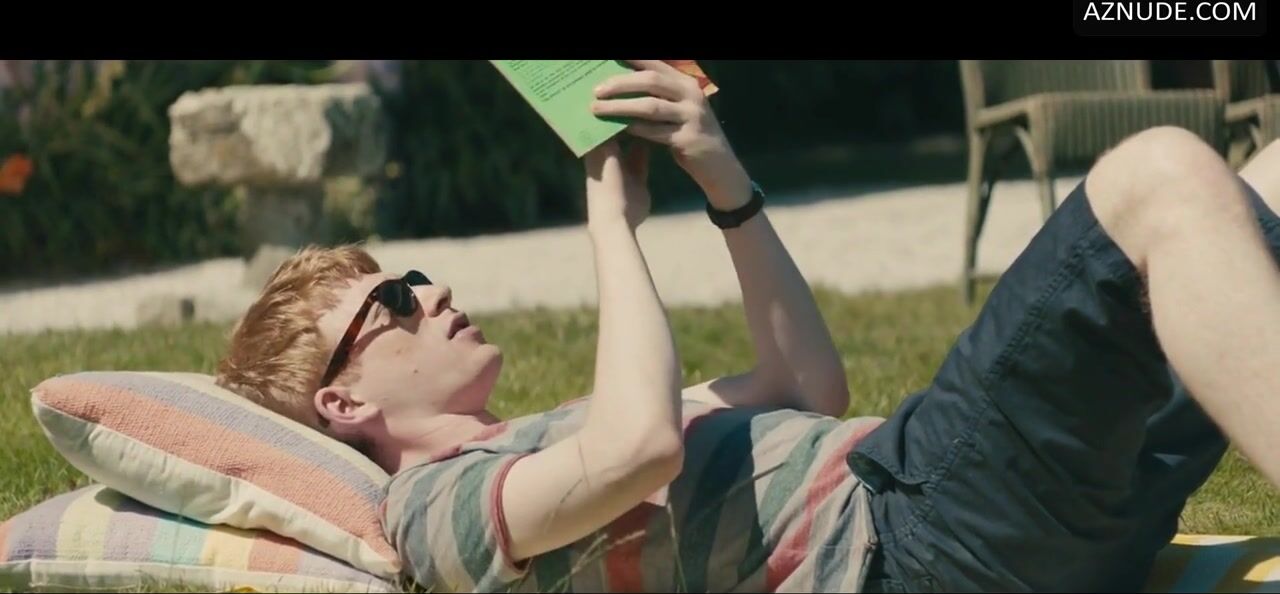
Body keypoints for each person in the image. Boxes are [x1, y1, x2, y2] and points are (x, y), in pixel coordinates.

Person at [214, 60, 1280, 593]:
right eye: (395, 301)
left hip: (1009, 520)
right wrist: (611, 223)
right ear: (342, 399)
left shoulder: (549, 435)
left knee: (1264, 178)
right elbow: (641, 447)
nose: (432, 292)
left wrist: (719, 176)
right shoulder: (431, 509)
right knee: (1154, 176)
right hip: (918, 537)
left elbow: (807, 385)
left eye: (414, 276)